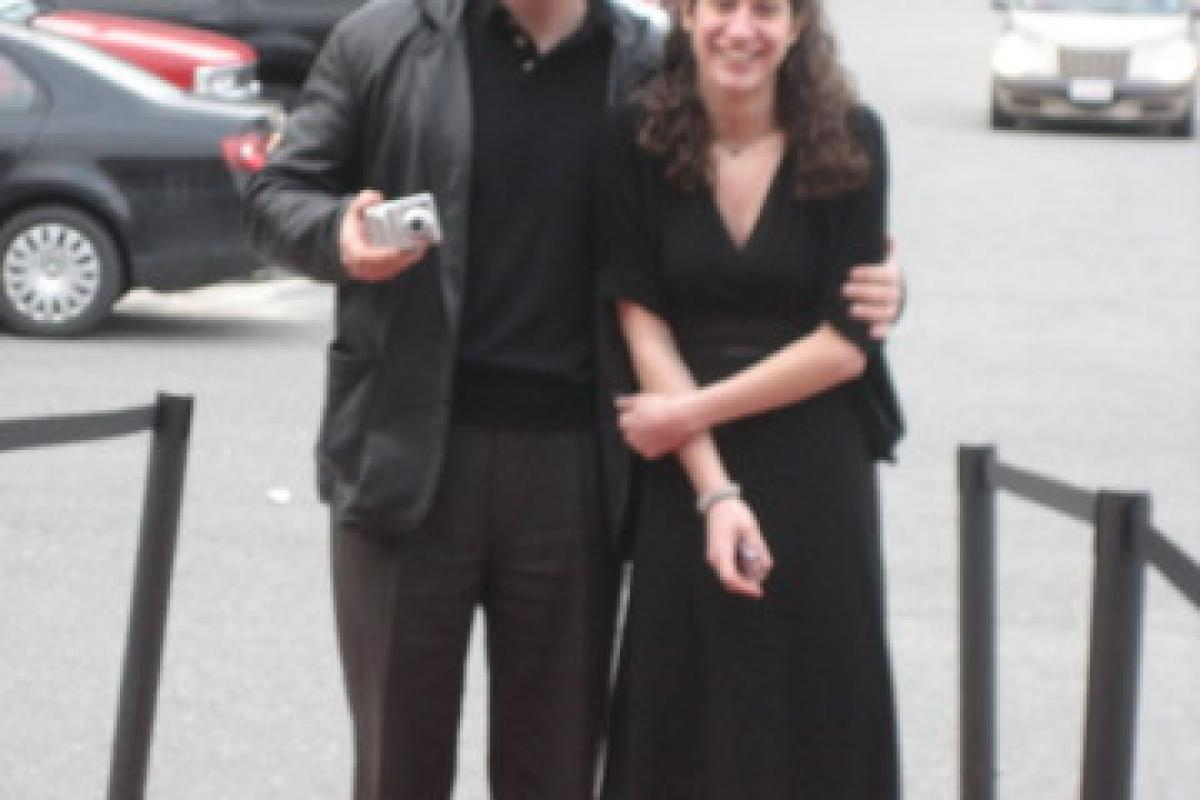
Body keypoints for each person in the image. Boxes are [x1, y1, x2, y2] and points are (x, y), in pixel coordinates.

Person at [242, 0, 903, 796]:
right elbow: (276, 194)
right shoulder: (383, 41)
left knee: (553, 772)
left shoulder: (649, 61)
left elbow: (741, 238)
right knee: (397, 768)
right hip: (406, 452)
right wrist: (336, 236)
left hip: (576, 470)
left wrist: (875, 288)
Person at [596, 0, 902, 797]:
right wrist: (715, 491)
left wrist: (687, 416)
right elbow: (643, 324)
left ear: (798, 25)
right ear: (687, 16)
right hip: (689, 478)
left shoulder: (853, 139)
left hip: (812, 469)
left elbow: (845, 346)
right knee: (683, 710)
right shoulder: (634, 140)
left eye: (766, 9)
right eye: (722, 5)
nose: (743, 29)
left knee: (818, 711)